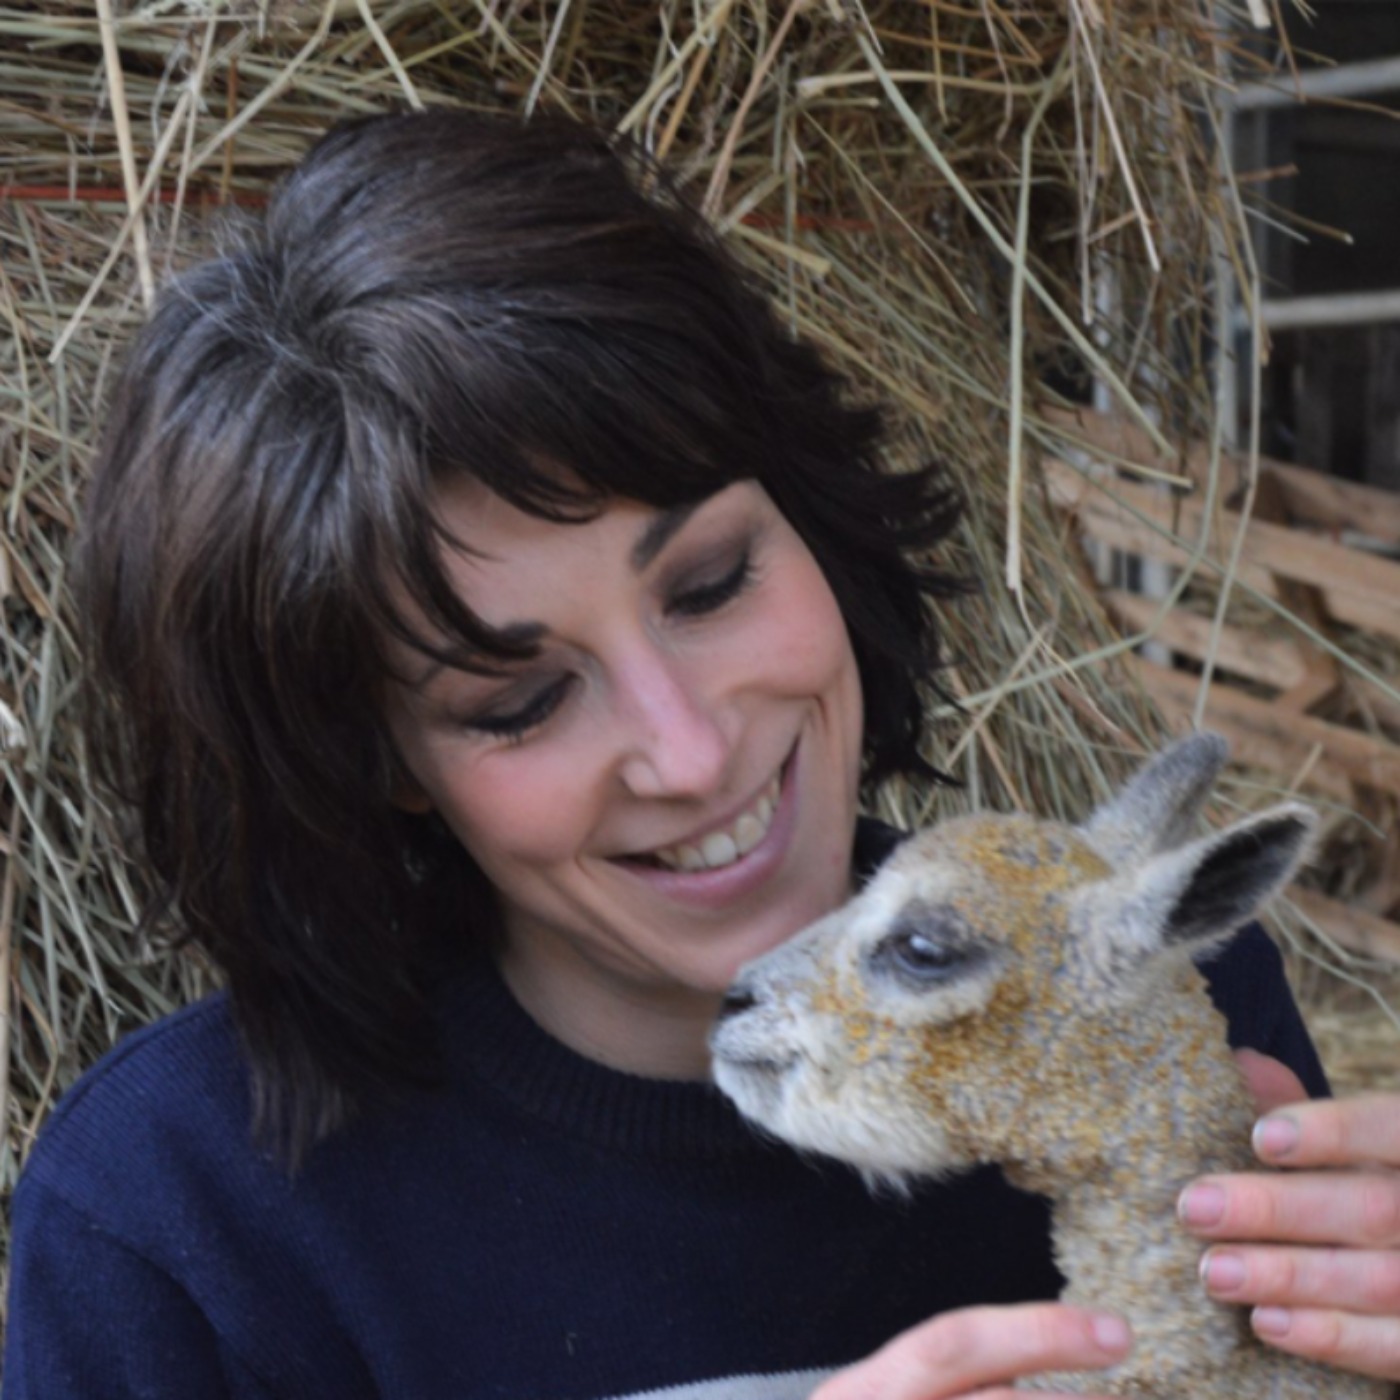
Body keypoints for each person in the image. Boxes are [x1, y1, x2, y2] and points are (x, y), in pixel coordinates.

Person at [4, 110, 1398, 1400]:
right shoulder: (176, 1221)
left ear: (812, 525)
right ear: (377, 757)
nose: (688, 751)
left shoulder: (1150, 1004)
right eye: (516, 701)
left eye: (715, 580)